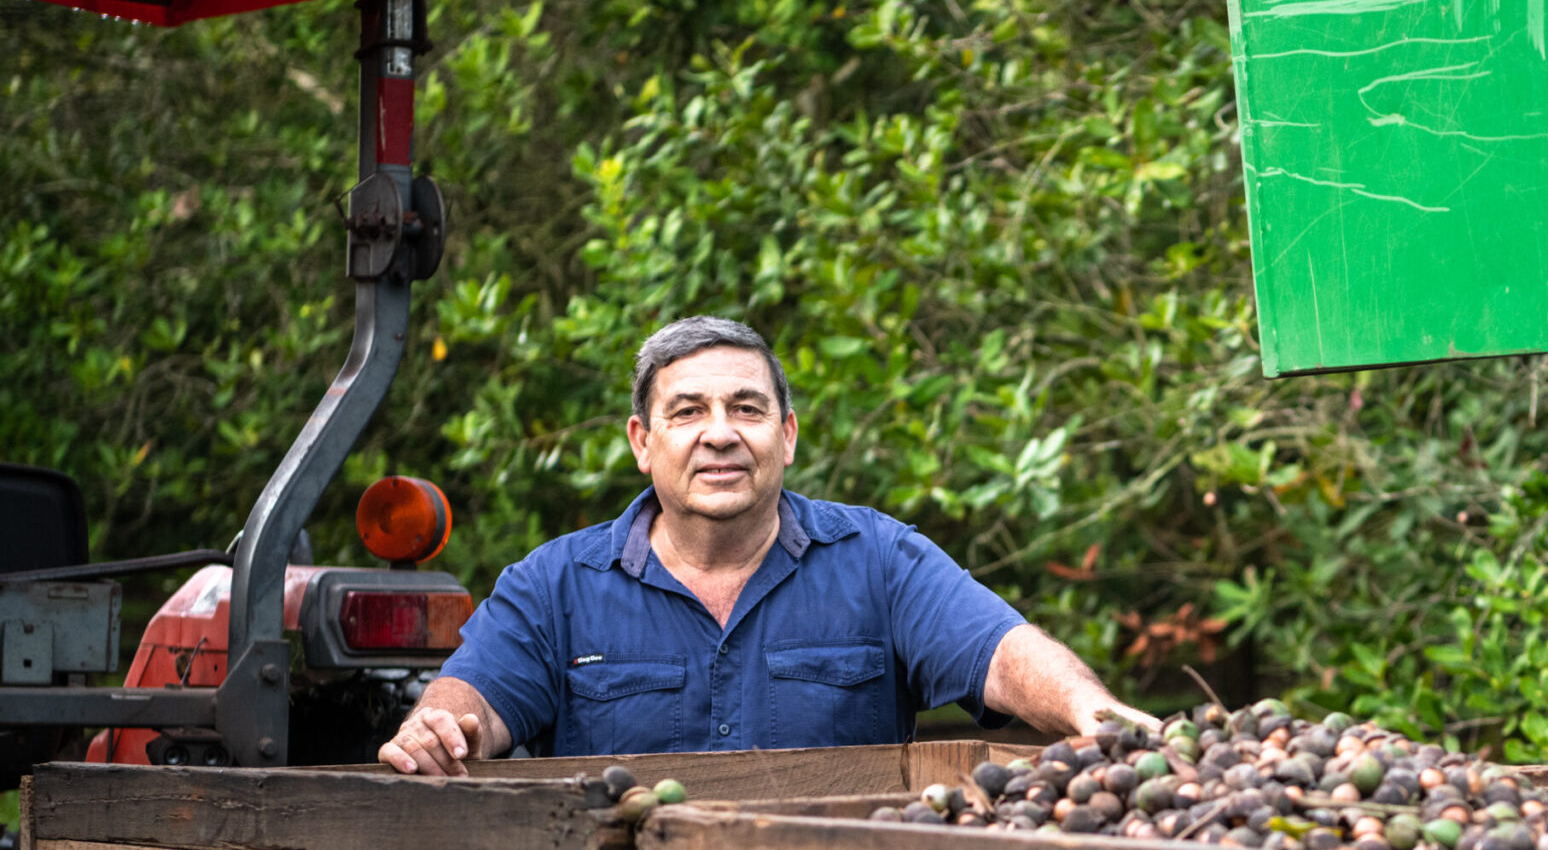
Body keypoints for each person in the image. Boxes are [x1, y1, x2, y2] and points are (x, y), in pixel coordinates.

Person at [379, 315, 1149, 775]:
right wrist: (439, 725)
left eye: (746, 407)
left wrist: (1095, 711)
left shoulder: (879, 560)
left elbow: (1001, 653)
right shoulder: (554, 585)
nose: (720, 433)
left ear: (785, 436)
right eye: (688, 413)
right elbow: (475, 693)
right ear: (643, 443)